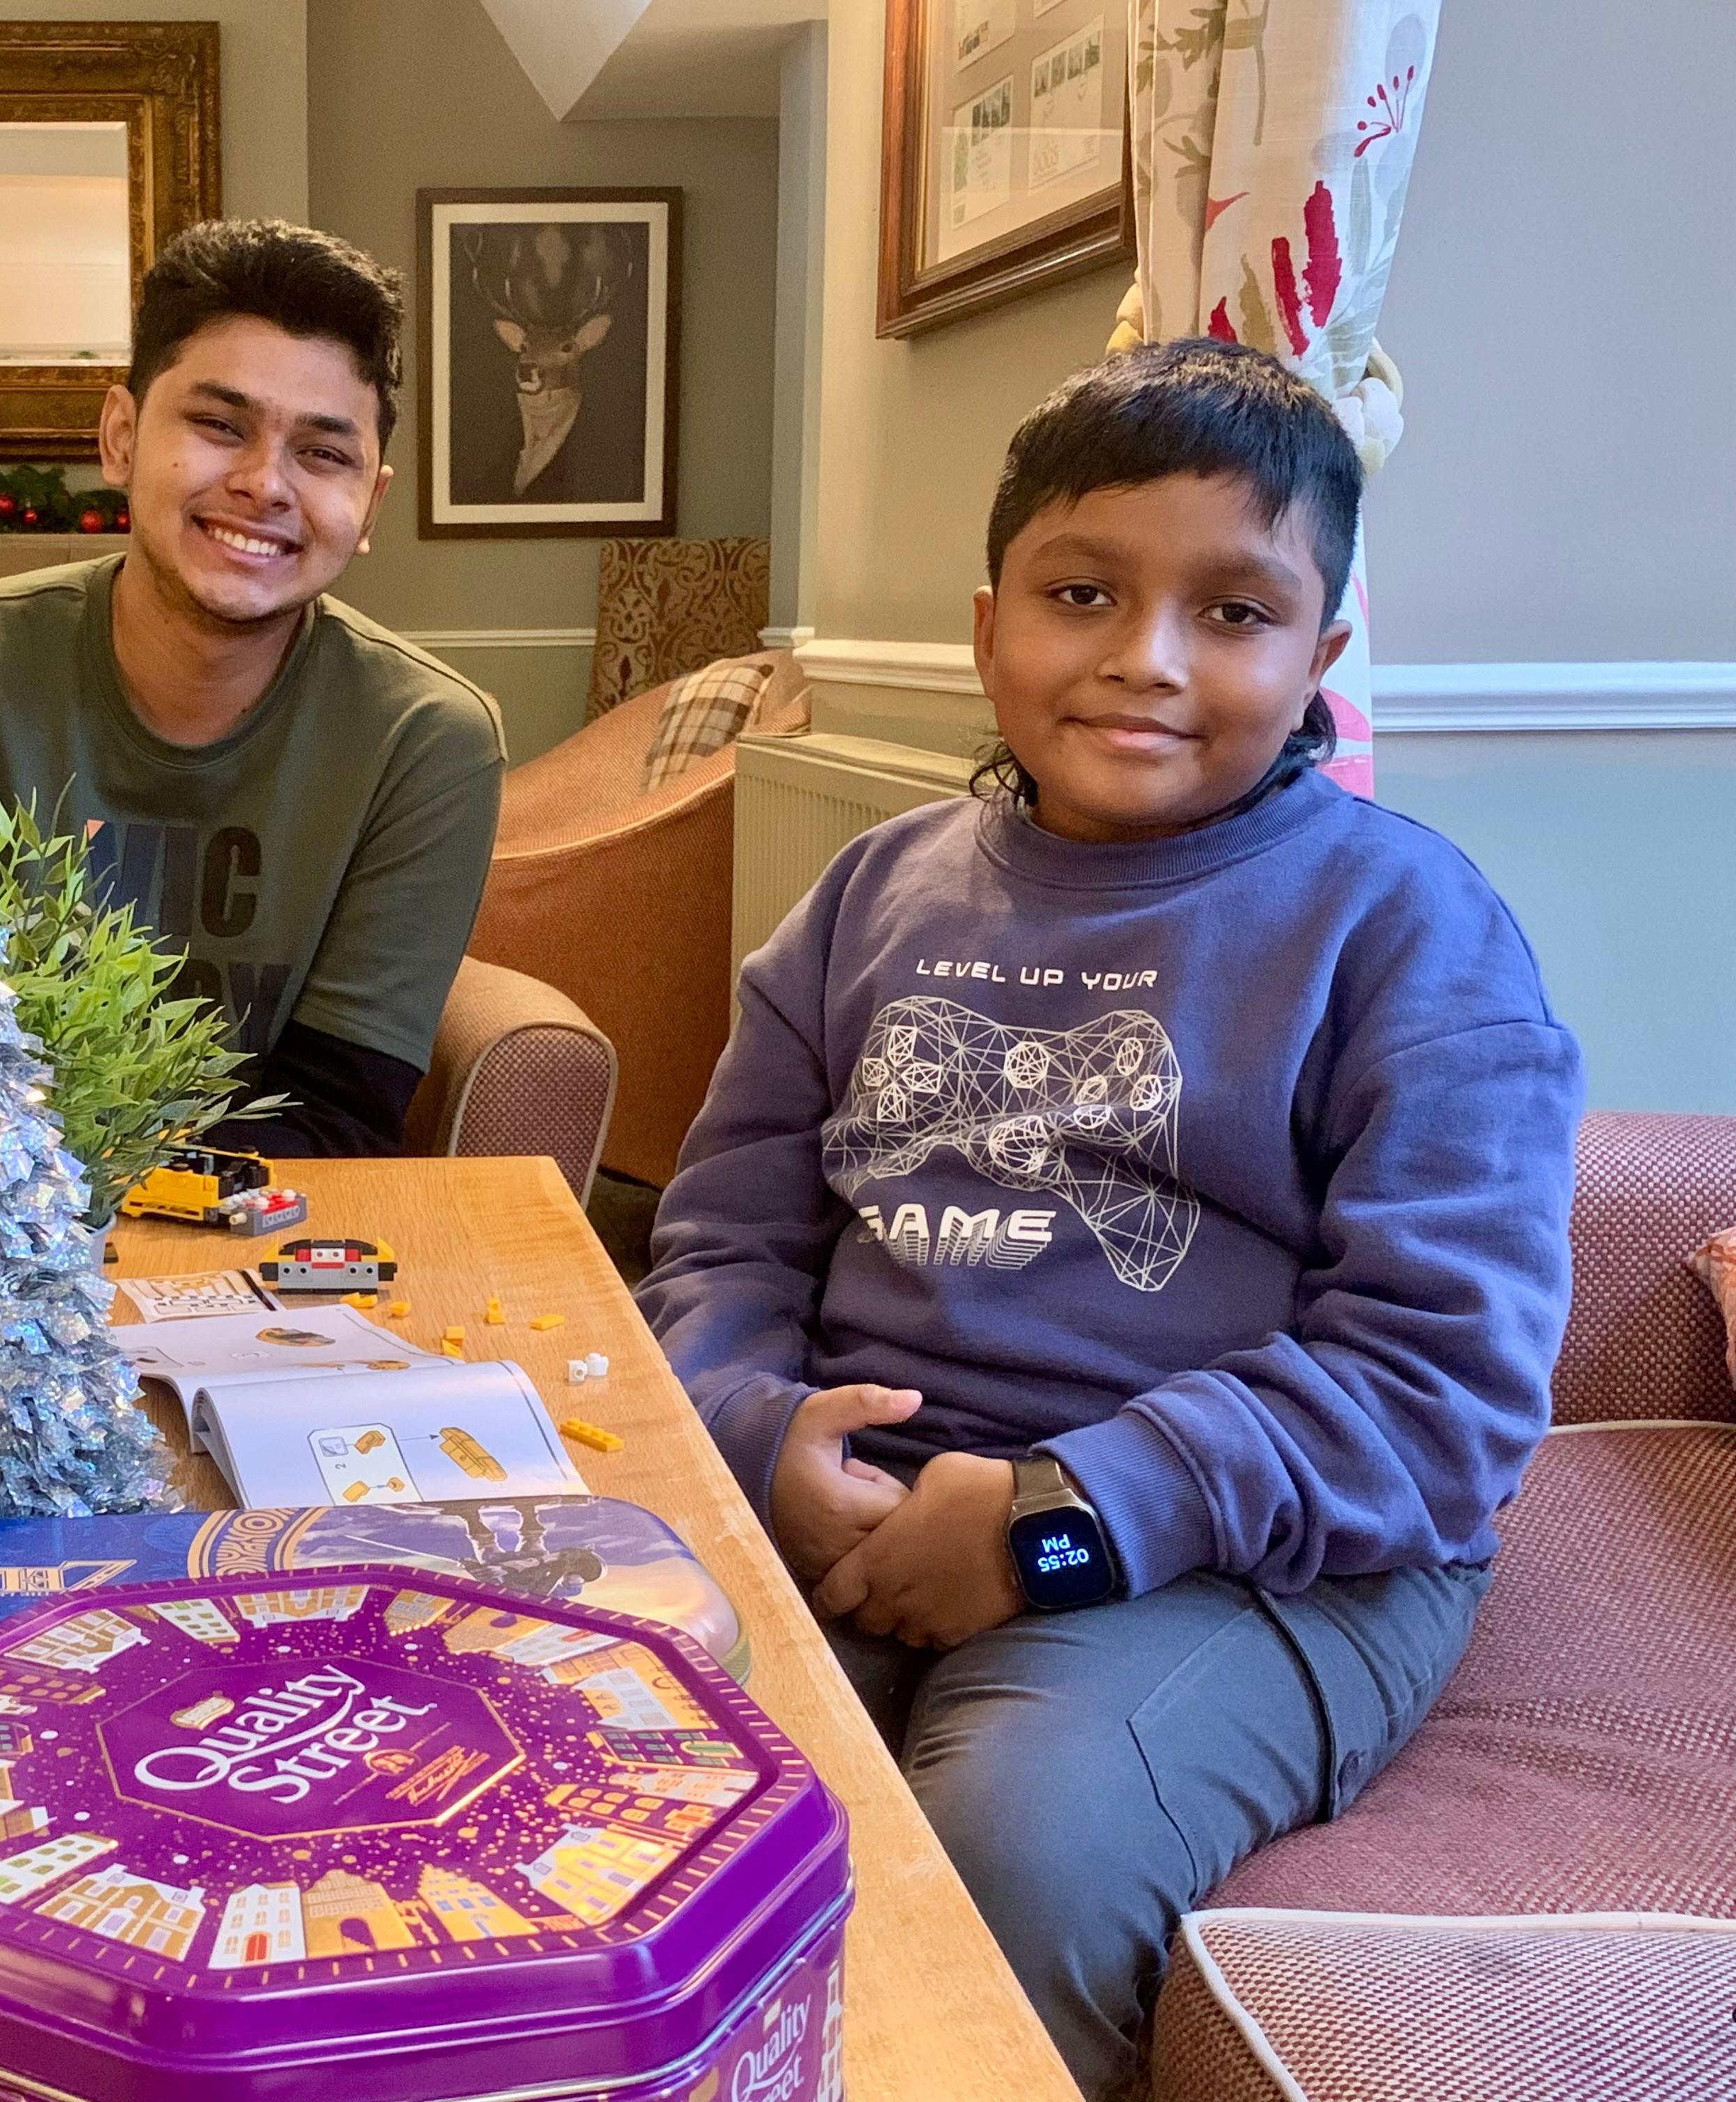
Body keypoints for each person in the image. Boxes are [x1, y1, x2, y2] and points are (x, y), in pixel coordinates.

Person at [637, 340, 1584, 2099]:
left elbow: (1442, 1395)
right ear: (992, 624)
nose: (1147, 659)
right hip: (854, 1498)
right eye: (1086, 593)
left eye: (1234, 612)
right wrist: (756, 1435)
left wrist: (1057, 1523)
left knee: (1016, 1854)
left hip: (1256, 1549)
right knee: (627, 1792)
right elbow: (723, 1245)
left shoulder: (1415, 936)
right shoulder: (868, 895)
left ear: (1321, 659)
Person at [0, 219, 505, 1157]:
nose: (266, 485)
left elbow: (341, 1110)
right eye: (220, 426)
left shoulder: (425, 738)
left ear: (370, 504)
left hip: (266, 1240)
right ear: (120, 436)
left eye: (323, 454)